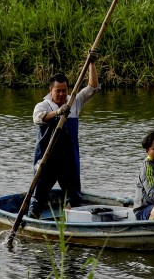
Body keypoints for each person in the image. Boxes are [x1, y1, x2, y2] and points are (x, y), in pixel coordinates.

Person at [27, 62, 99, 219]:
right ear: (50, 90)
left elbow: (92, 87)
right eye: (57, 91)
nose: (61, 94)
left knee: (74, 197)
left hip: (68, 161)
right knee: (38, 195)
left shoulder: (74, 102)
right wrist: (58, 112)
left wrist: (91, 64)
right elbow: (38, 118)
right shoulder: (43, 105)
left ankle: (72, 220)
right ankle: (33, 217)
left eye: (64, 91)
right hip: (47, 159)